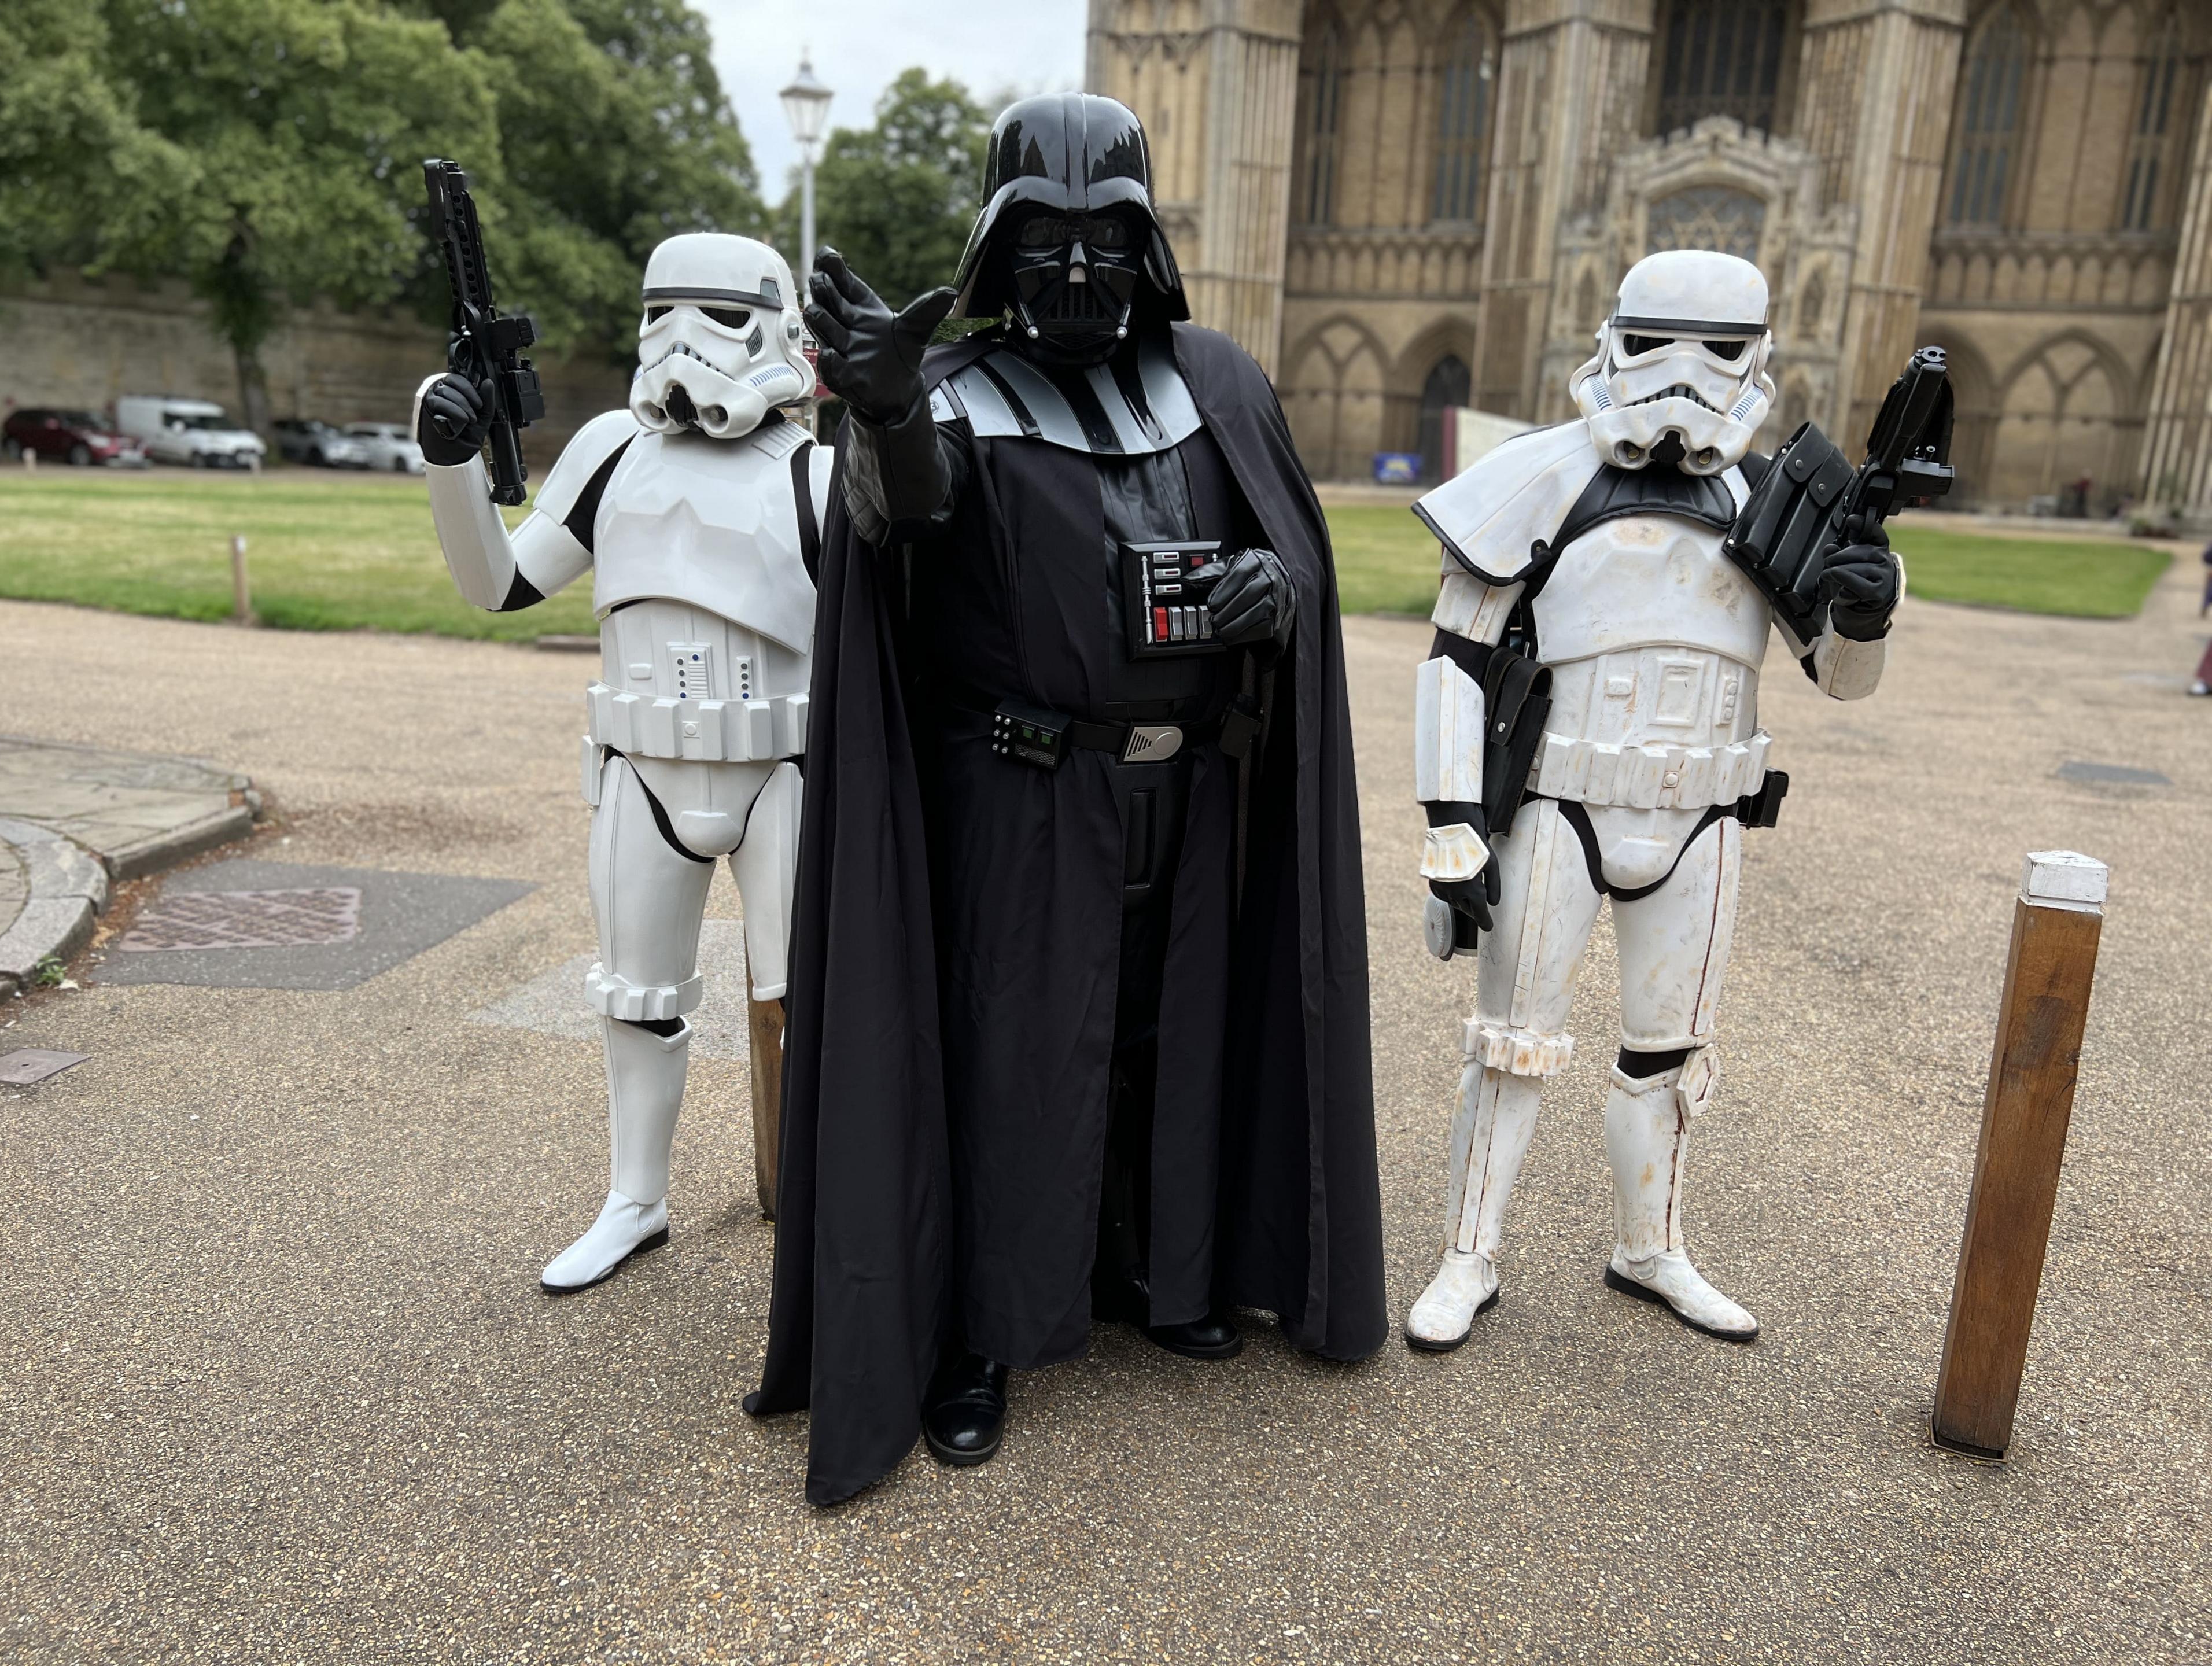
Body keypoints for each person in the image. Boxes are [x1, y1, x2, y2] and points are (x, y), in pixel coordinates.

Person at [743, 93, 1387, 1504]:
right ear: (996, 249)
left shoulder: (1215, 380)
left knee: (1173, 1040)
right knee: (1017, 1051)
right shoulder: (961, 396)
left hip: (1194, 795)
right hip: (1022, 795)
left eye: (1109, 240)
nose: (1082, 270)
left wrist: (1279, 595)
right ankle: (981, 1327)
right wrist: (892, 410)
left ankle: (1171, 1273)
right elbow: (903, 512)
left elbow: (1294, 554)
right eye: (1047, 241)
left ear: (1149, 249)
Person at [1401, 250, 1904, 1350]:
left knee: (1671, 1051)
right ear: (1613, 336)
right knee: (1510, 1041)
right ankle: (1467, 1256)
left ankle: (1651, 1246)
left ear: (1759, 355)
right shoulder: (1542, 475)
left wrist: (1863, 609)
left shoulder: (1765, 498)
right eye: (1659, 340)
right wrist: (1450, 824)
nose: (1685, 372)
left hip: (1704, 812)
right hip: (1558, 802)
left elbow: (1835, 673)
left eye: (1717, 348)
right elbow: (1456, 661)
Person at [416, 234, 825, 1293]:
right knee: (636, 996)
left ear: (780, 326)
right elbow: (501, 584)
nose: (684, 339)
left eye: (719, 314)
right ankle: (635, 1199)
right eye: (663, 312)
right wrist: (452, 462)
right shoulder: (610, 450)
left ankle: (832, 1213)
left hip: (783, 768)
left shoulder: (819, 471)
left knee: (814, 999)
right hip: (642, 765)